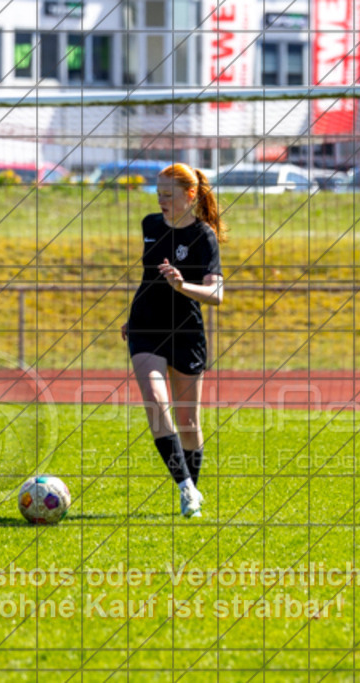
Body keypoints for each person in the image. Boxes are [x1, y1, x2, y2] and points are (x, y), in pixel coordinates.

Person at [120, 163, 226, 518]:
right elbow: (148, 278)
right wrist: (131, 317)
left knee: (189, 424)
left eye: (169, 194)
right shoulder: (150, 225)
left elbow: (216, 294)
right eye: (159, 193)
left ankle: (192, 490)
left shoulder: (204, 237)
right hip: (146, 325)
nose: (161, 200)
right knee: (155, 401)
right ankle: (184, 488)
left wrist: (182, 286)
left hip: (186, 330)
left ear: (190, 195)